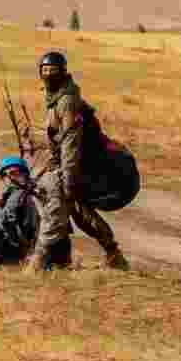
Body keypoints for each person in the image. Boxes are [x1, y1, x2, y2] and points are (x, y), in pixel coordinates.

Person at [22, 50, 130, 273]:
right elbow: (58, 136)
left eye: (53, 70)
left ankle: (37, 264)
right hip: (71, 164)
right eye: (45, 70)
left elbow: (70, 142)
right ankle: (114, 255)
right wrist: (35, 137)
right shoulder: (56, 97)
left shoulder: (66, 101)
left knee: (56, 207)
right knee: (80, 213)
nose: (49, 74)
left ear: (63, 72)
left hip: (78, 165)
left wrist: (68, 181)